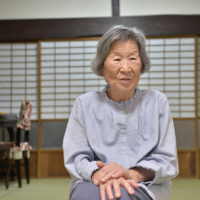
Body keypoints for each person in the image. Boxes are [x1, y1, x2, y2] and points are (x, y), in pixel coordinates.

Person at [63, 25, 179, 200]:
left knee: (122, 196)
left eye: (133, 58)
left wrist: (132, 174)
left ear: (142, 64)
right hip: (94, 181)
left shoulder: (157, 101)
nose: (126, 68)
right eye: (117, 59)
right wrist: (99, 174)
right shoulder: (84, 103)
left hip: (142, 184)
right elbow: (76, 155)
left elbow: (167, 159)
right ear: (102, 66)